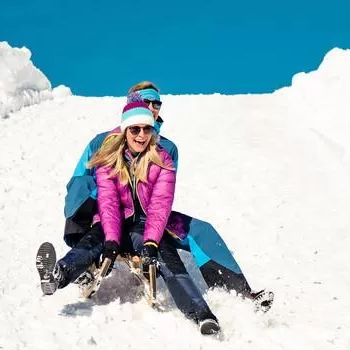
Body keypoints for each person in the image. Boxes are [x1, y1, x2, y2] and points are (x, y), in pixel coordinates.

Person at [62, 81, 273, 310]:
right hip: (105, 215)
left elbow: (162, 197)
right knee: (85, 186)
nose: (152, 107)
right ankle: (86, 263)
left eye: (157, 103)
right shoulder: (102, 142)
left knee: (201, 230)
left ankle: (240, 293)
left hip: (147, 219)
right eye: (146, 102)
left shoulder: (167, 149)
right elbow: (78, 187)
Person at [40, 99, 221, 336]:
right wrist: (113, 240)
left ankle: (203, 315)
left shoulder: (162, 160)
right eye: (135, 129)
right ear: (125, 131)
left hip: (145, 225)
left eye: (147, 129)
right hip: (115, 222)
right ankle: (58, 274)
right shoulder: (109, 160)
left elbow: (160, 205)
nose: (141, 135)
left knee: (167, 257)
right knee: (95, 240)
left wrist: (151, 242)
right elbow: (109, 203)